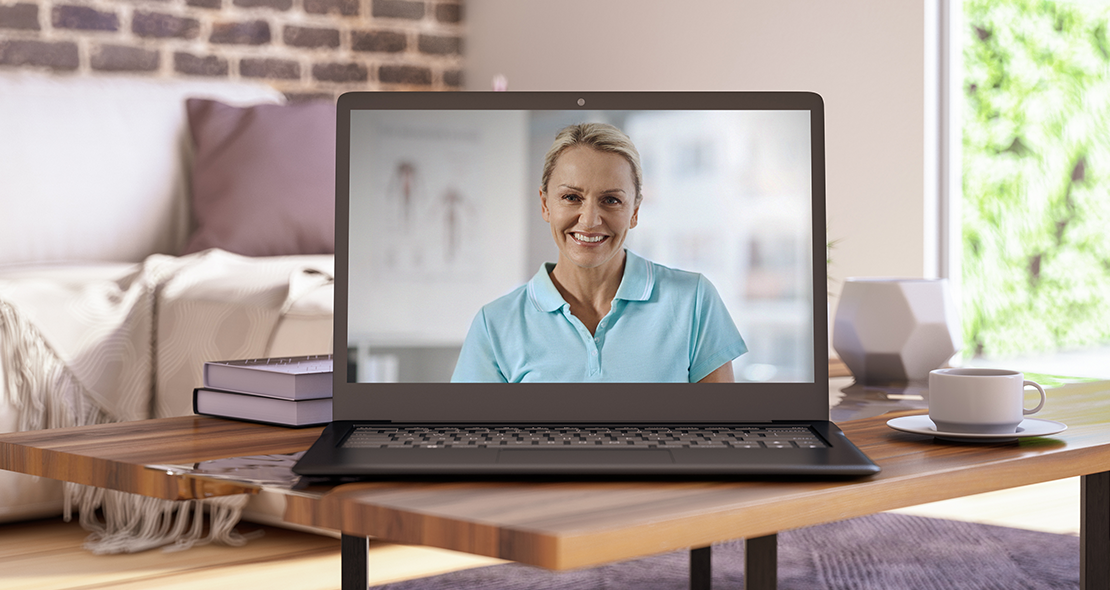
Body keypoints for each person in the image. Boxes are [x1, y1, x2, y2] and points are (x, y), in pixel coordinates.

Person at [451, 122, 746, 383]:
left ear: (635, 211)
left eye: (611, 200)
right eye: (571, 197)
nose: (590, 220)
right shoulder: (495, 324)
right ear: (545, 204)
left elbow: (718, 431)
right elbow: (474, 440)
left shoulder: (693, 301)